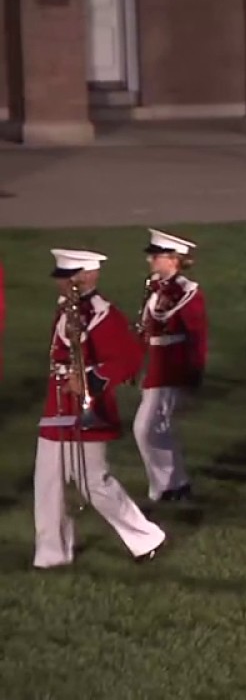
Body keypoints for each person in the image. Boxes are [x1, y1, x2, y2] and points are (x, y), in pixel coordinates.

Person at [35, 249, 166, 568]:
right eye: (63, 278)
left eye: (71, 278)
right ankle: (52, 553)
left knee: (93, 482)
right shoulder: (69, 309)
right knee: (48, 482)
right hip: (57, 405)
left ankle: (145, 536)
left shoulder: (102, 314)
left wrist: (92, 378)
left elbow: (129, 358)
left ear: (89, 276)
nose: (63, 284)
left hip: (86, 406)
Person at [134, 229, 207, 502]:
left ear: (174, 259)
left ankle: (168, 485)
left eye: (156, 256)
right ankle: (174, 484)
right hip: (155, 366)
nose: (150, 261)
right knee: (155, 427)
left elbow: (197, 333)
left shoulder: (188, 292)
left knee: (147, 427)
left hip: (172, 367)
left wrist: (195, 370)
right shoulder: (155, 288)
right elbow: (146, 329)